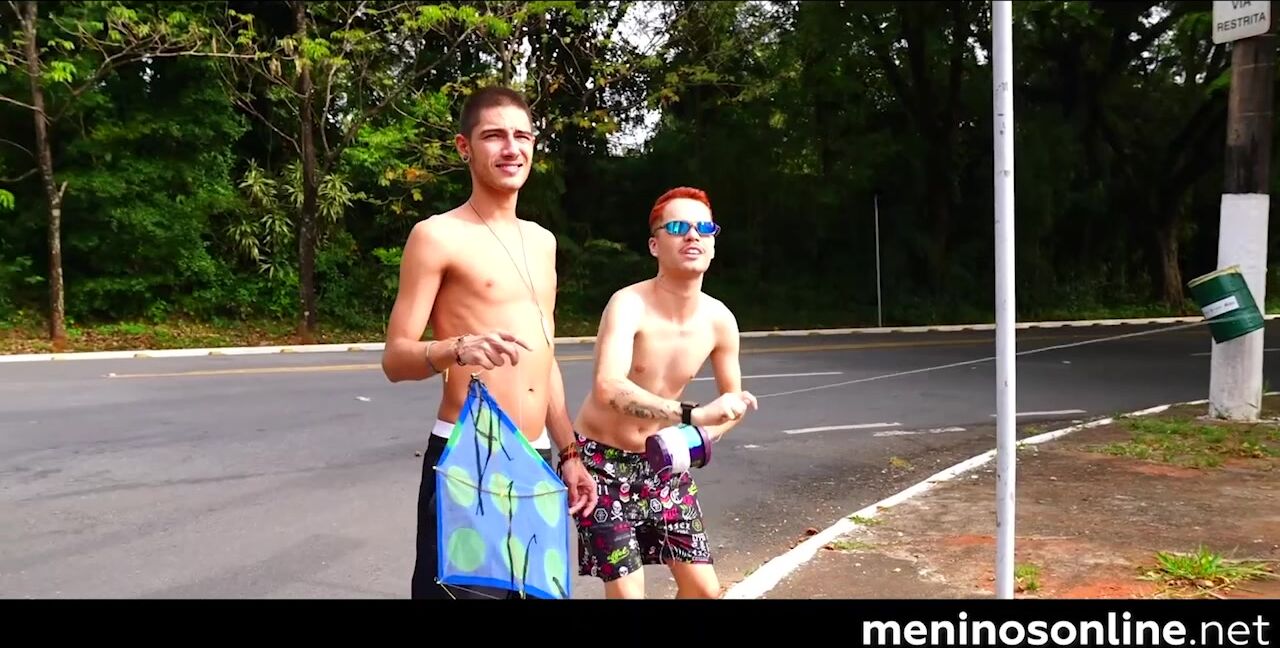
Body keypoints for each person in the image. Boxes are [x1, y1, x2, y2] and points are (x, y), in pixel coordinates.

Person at [380, 85, 597, 600]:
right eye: (494, 136)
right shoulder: (436, 235)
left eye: (522, 136)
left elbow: (545, 359)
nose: (511, 148)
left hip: (535, 459)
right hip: (469, 454)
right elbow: (395, 359)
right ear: (465, 147)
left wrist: (569, 452)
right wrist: (455, 348)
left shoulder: (542, 241)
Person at [571, 186, 758, 599]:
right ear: (655, 244)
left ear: (713, 244)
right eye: (677, 227)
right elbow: (608, 387)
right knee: (628, 595)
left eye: (704, 228)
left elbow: (732, 403)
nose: (692, 235)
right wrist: (692, 415)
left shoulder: (720, 320)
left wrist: (692, 440)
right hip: (601, 465)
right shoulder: (628, 304)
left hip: (664, 465)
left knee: (704, 591)